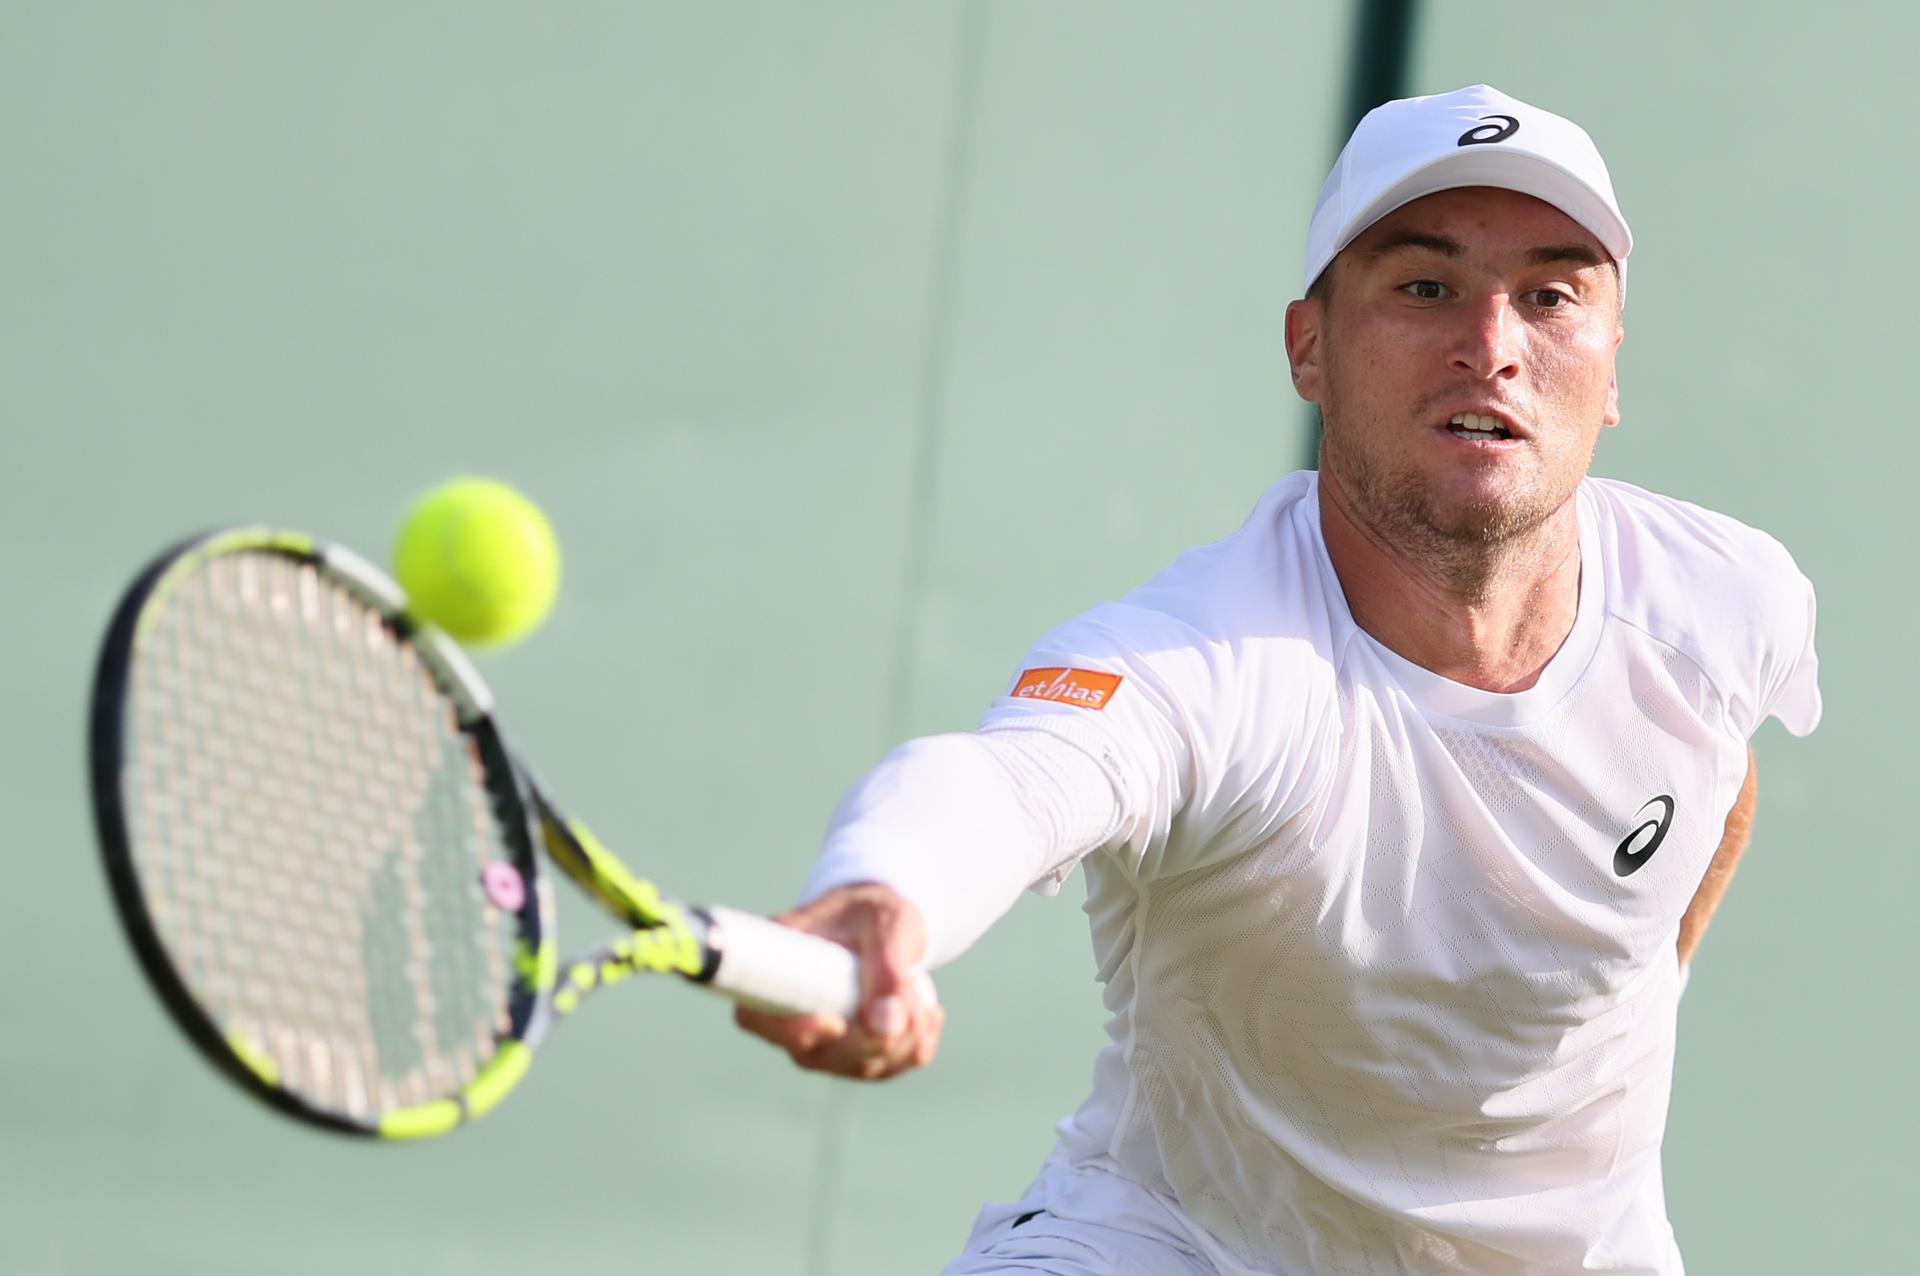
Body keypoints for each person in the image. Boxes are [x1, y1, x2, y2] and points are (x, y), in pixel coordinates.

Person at [737, 84, 1820, 1275]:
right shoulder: (1202, 659)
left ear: (1611, 369)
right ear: (1311, 348)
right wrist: (880, 887)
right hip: (1178, 1244)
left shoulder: (1727, 605)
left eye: (1553, 296)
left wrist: (1632, 1002)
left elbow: (1718, 784)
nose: (1493, 345)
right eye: (1424, 287)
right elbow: (1010, 783)